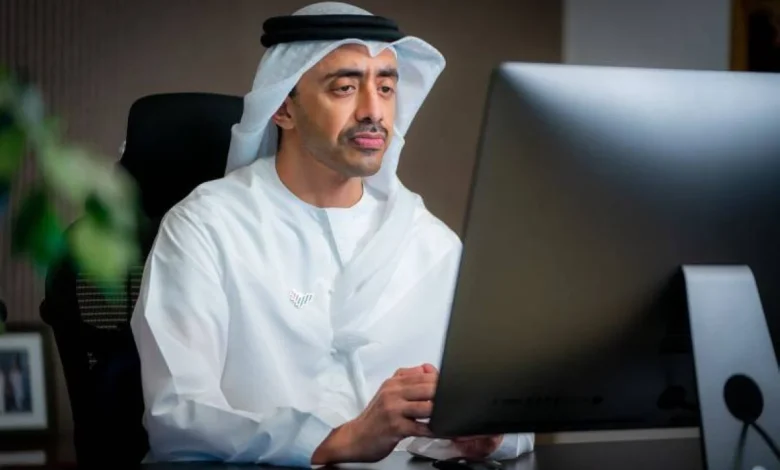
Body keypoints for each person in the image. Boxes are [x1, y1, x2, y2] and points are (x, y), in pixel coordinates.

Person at [130, 2, 534, 467]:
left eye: (386, 88)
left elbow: (510, 417)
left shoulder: (431, 244)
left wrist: (486, 433)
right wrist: (337, 441)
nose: (373, 111)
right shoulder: (207, 227)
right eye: (345, 88)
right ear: (283, 107)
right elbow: (178, 415)